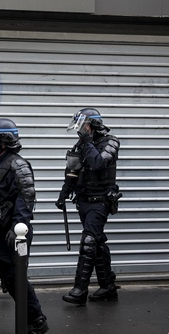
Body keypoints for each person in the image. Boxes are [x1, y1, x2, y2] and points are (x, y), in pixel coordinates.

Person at [0, 118, 48, 334]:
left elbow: (26, 199)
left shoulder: (18, 165)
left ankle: (36, 321)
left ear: (4, 141)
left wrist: (18, 225)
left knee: (15, 281)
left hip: (11, 234)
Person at [56, 107, 121, 306]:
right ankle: (108, 287)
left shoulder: (111, 142)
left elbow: (98, 163)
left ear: (93, 125)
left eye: (83, 125)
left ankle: (80, 290)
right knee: (97, 244)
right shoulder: (81, 144)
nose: (80, 130)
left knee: (89, 242)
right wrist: (64, 193)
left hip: (100, 202)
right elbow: (72, 171)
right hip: (83, 202)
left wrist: (87, 142)